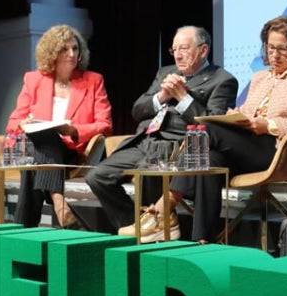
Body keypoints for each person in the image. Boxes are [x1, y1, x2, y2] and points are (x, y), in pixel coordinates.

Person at [141, 15, 287, 243]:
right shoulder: (260, 77)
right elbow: (247, 111)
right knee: (209, 159)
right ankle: (202, 241)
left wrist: (268, 125)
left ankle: (164, 207)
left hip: (279, 150)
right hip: (247, 146)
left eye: (283, 49)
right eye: (270, 48)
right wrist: (234, 117)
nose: (275, 55)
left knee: (205, 127)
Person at [85, 25, 238, 237]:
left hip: (178, 147)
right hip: (146, 141)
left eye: (184, 48)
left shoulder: (223, 80)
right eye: (174, 49)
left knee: (147, 169)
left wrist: (183, 98)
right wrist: (163, 96)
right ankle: (142, 225)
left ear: (203, 51)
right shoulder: (165, 72)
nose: (178, 54)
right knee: (96, 176)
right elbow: (138, 110)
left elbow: (213, 125)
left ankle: (154, 228)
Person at [5, 24, 112, 229]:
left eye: (75, 48)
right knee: (43, 139)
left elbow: (105, 125)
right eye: (65, 49)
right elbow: (12, 123)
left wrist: (74, 130)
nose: (72, 54)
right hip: (41, 149)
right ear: (52, 52)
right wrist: (22, 123)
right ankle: (60, 204)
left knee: (32, 165)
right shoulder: (34, 80)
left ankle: (21, 231)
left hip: (72, 152)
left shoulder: (93, 81)